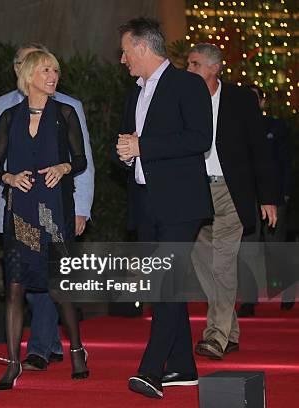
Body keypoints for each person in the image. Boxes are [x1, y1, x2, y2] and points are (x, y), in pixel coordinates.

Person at [0, 42, 94, 371]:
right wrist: (9, 178)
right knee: (16, 284)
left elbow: (82, 159)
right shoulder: (7, 115)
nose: (53, 75)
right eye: (46, 69)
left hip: (54, 211)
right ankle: (13, 362)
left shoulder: (65, 113)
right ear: (28, 75)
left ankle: (76, 351)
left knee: (57, 285)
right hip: (21, 212)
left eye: (55, 70)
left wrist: (63, 168)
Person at [114, 18, 213, 398]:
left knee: (166, 283)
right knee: (164, 287)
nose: (122, 59)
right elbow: (131, 144)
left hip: (180, 204)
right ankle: (183, 367)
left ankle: (151, 370)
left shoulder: (186, 84)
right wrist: (125, 154)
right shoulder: (134, 95)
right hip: (146, 203)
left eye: (125, 50)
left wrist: (143, 147)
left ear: (142, 47)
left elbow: (199, 138)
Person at [186, 44, 278, 361]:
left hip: (231, 191)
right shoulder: (184, 98)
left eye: (195, 64)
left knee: (223, 263)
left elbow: (259, 150)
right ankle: (231, 329)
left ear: (215, 68)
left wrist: (268, 197)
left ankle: (216, 335)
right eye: (189, 64)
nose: (189, 69)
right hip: (194, 191)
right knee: (202, 262)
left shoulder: (240, 100)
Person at [237, 86, 294, 316]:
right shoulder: (236, 129)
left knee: (275, 246)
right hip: (247, 197)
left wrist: (285, 192)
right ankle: (248, 300)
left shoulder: (276, 126)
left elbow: (284, 162)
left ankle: (287, 291)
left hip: (273, 196)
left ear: (262, 103)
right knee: (247, 248)